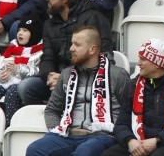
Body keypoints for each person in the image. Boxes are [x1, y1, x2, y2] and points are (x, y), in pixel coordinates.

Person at [25, 27, 131, 156]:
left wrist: (118, 133)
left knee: (84, 152)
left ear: (92, 49)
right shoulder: (66, 74)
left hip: (103, 136)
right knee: (35, 149)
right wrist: (58, 129)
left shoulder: (117, 76)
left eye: (77, 44)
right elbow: (52, 109)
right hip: (68, 134)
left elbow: (129, 112)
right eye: (71, 43)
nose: (71, 48)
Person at [14, 0, 113, 110]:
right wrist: (49, 76)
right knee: (26, 87)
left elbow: (104, 60)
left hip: (87, 81)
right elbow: (47, 58)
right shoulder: (49, 24)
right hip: (57, 81)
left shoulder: (94, 19)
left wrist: (67, 78)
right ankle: (48, 119)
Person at [102, 39, 164, 156]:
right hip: (137, 142)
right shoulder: (133, 85)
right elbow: (121, 123)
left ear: (157, 63)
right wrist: (130, 140)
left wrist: (158, 140)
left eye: (143, 59)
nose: (138, 63)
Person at [0, 16, 44, 124]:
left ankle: (10, 126)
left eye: (25, 30)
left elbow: (36, 72)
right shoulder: (12, 48)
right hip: (4, 83)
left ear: (34, 33)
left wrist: (18, 69)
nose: (20, 33)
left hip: (21, 84)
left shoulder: (40, 52)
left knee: (12, 93)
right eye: (19, 30)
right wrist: (1, 75)